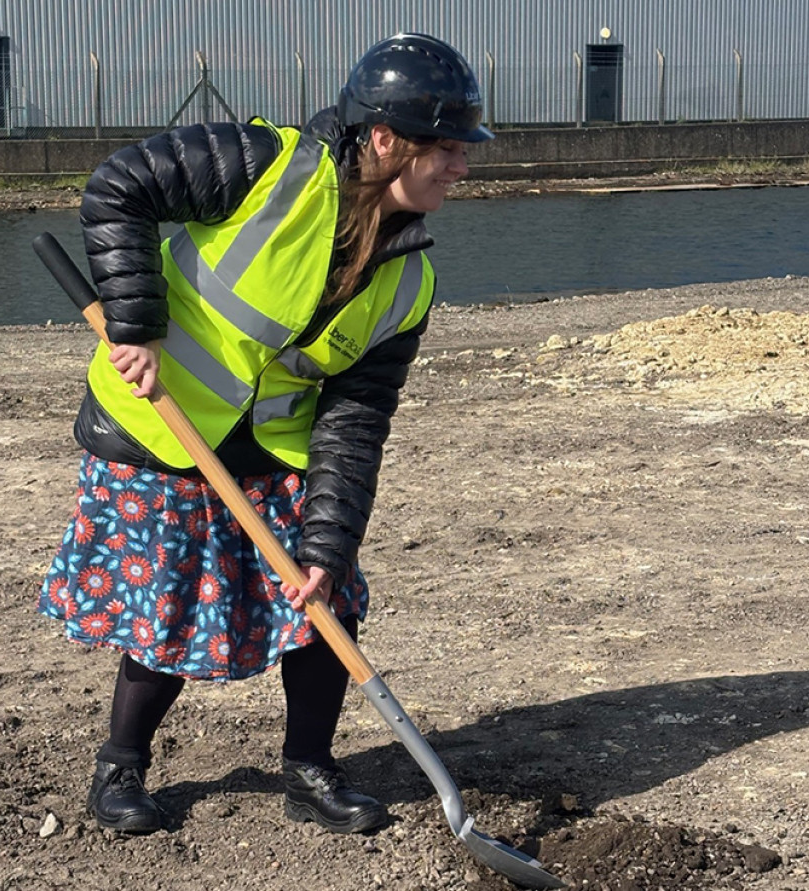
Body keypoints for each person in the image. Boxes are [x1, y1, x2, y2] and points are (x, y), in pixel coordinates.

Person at [38, 32, 493, 836]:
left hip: (275, 448)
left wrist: (326, 542)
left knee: (329, 601)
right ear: (385, 139)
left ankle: (310, 768)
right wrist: (136, 323)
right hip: (158, 428)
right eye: (447, 148)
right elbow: (119, 187)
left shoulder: (410, 279)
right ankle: (120, 767)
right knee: (165, 602)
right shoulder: (264, 166)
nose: (462, 166)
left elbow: (355, 422)